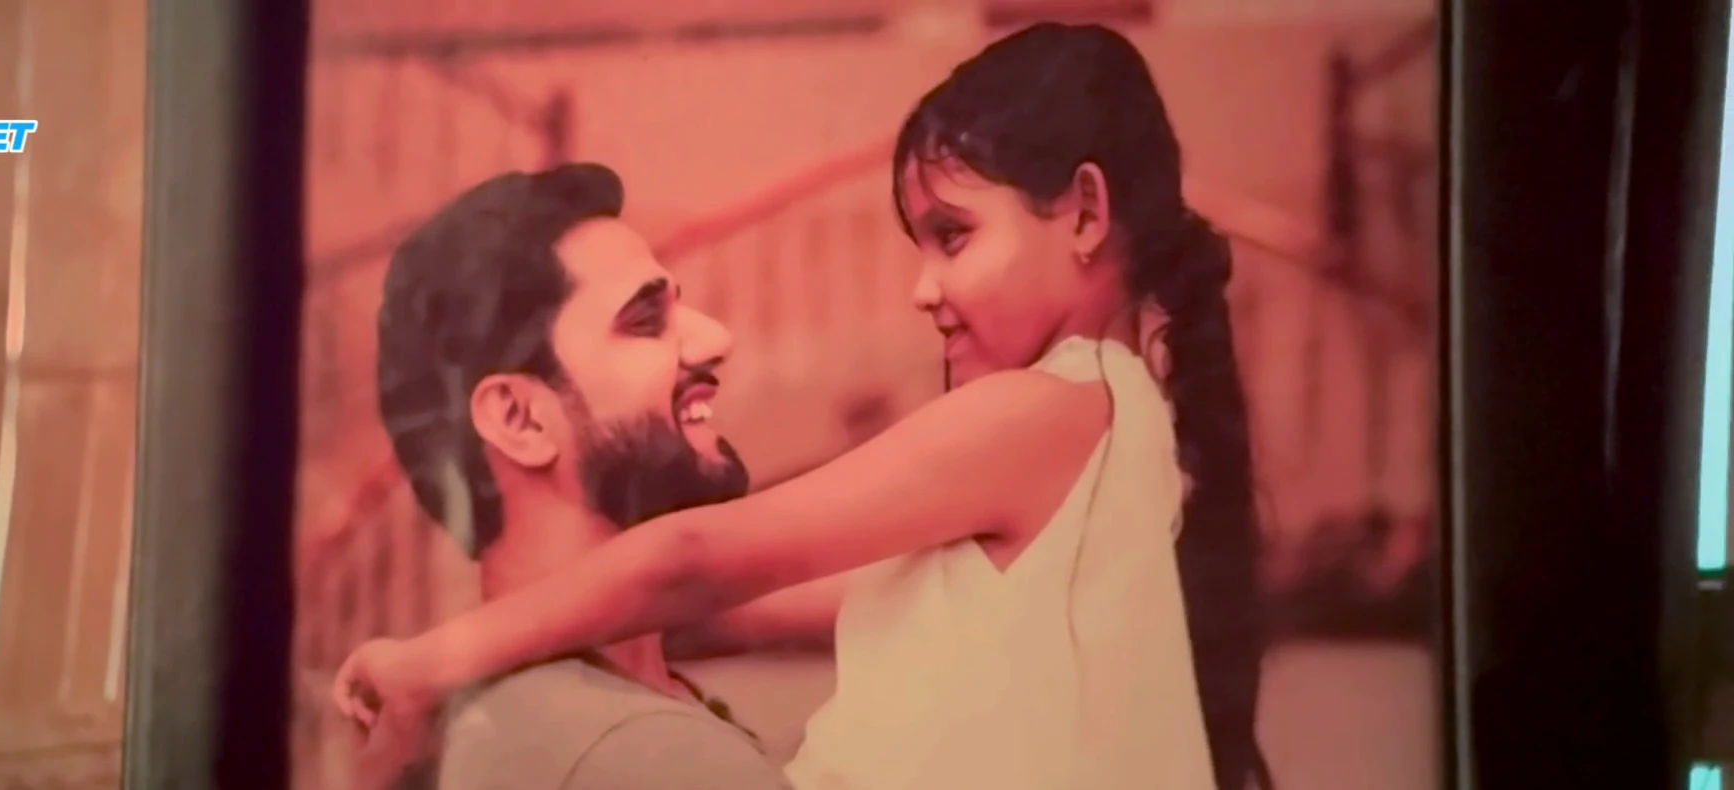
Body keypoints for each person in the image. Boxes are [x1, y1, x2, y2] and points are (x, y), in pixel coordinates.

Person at [338, 22, 1271, 790]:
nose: (923, 290)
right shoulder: (1110, 453)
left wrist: (431, 662)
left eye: (953, 236)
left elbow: (699, 559)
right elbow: (739, 605)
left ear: (1086, 213)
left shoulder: (1045, 413)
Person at [367, 163, 793, 790]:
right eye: (644, 321)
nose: (715, 338)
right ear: (519, 417)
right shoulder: (644, 756)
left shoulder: (531, 720)